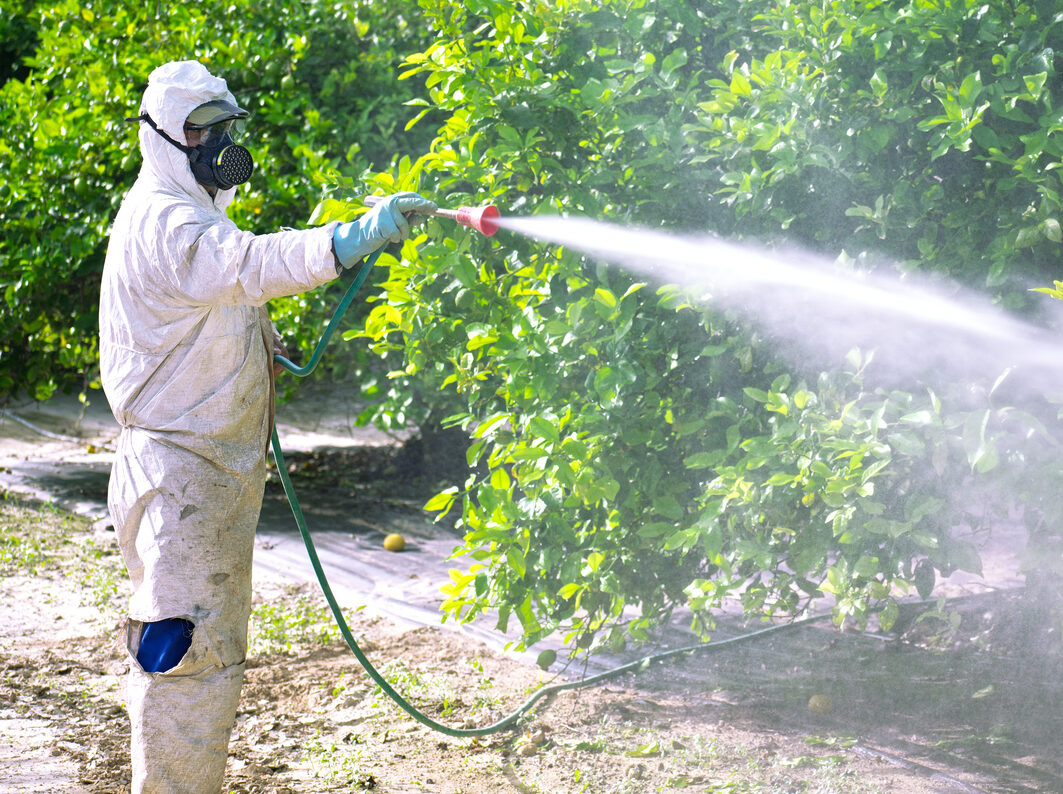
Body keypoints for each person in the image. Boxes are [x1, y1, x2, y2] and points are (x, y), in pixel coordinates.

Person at [98, 59, 435, 793]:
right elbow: (249, 265)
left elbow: (216, 295)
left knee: (194, 651)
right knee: (186, 658)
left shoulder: (190, 211)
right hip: (181, 474)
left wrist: (257, 342)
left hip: (199, 473)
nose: (220, 145)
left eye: (226, 130)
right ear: (163, 140)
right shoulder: (169, 219)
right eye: (202, 133)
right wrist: (353, 236)